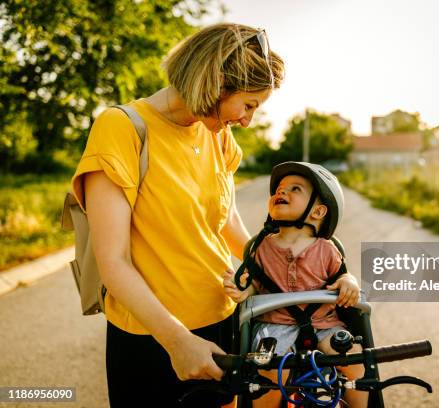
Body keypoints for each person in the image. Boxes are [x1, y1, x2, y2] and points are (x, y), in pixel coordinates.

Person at [71, 23, 283, 407]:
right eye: (248, 105)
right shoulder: (122, 128)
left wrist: (280, 269)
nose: (249, 120)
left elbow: (226, 220)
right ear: (218, 82)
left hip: (224, 320)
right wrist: (178, 341)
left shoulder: (216, 133)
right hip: (153, 338)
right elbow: (112, 262)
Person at [223, 162, 368, 407]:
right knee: (266, 368)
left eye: (295, 189)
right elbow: (256, 285)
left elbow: (342, 276)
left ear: (318, 212)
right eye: (279, 189)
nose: (281, 192)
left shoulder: (327, 249)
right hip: (274, 325)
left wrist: (349, 281)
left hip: (324, 324)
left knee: (353, 360)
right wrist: (243, 290)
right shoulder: (261, 247)